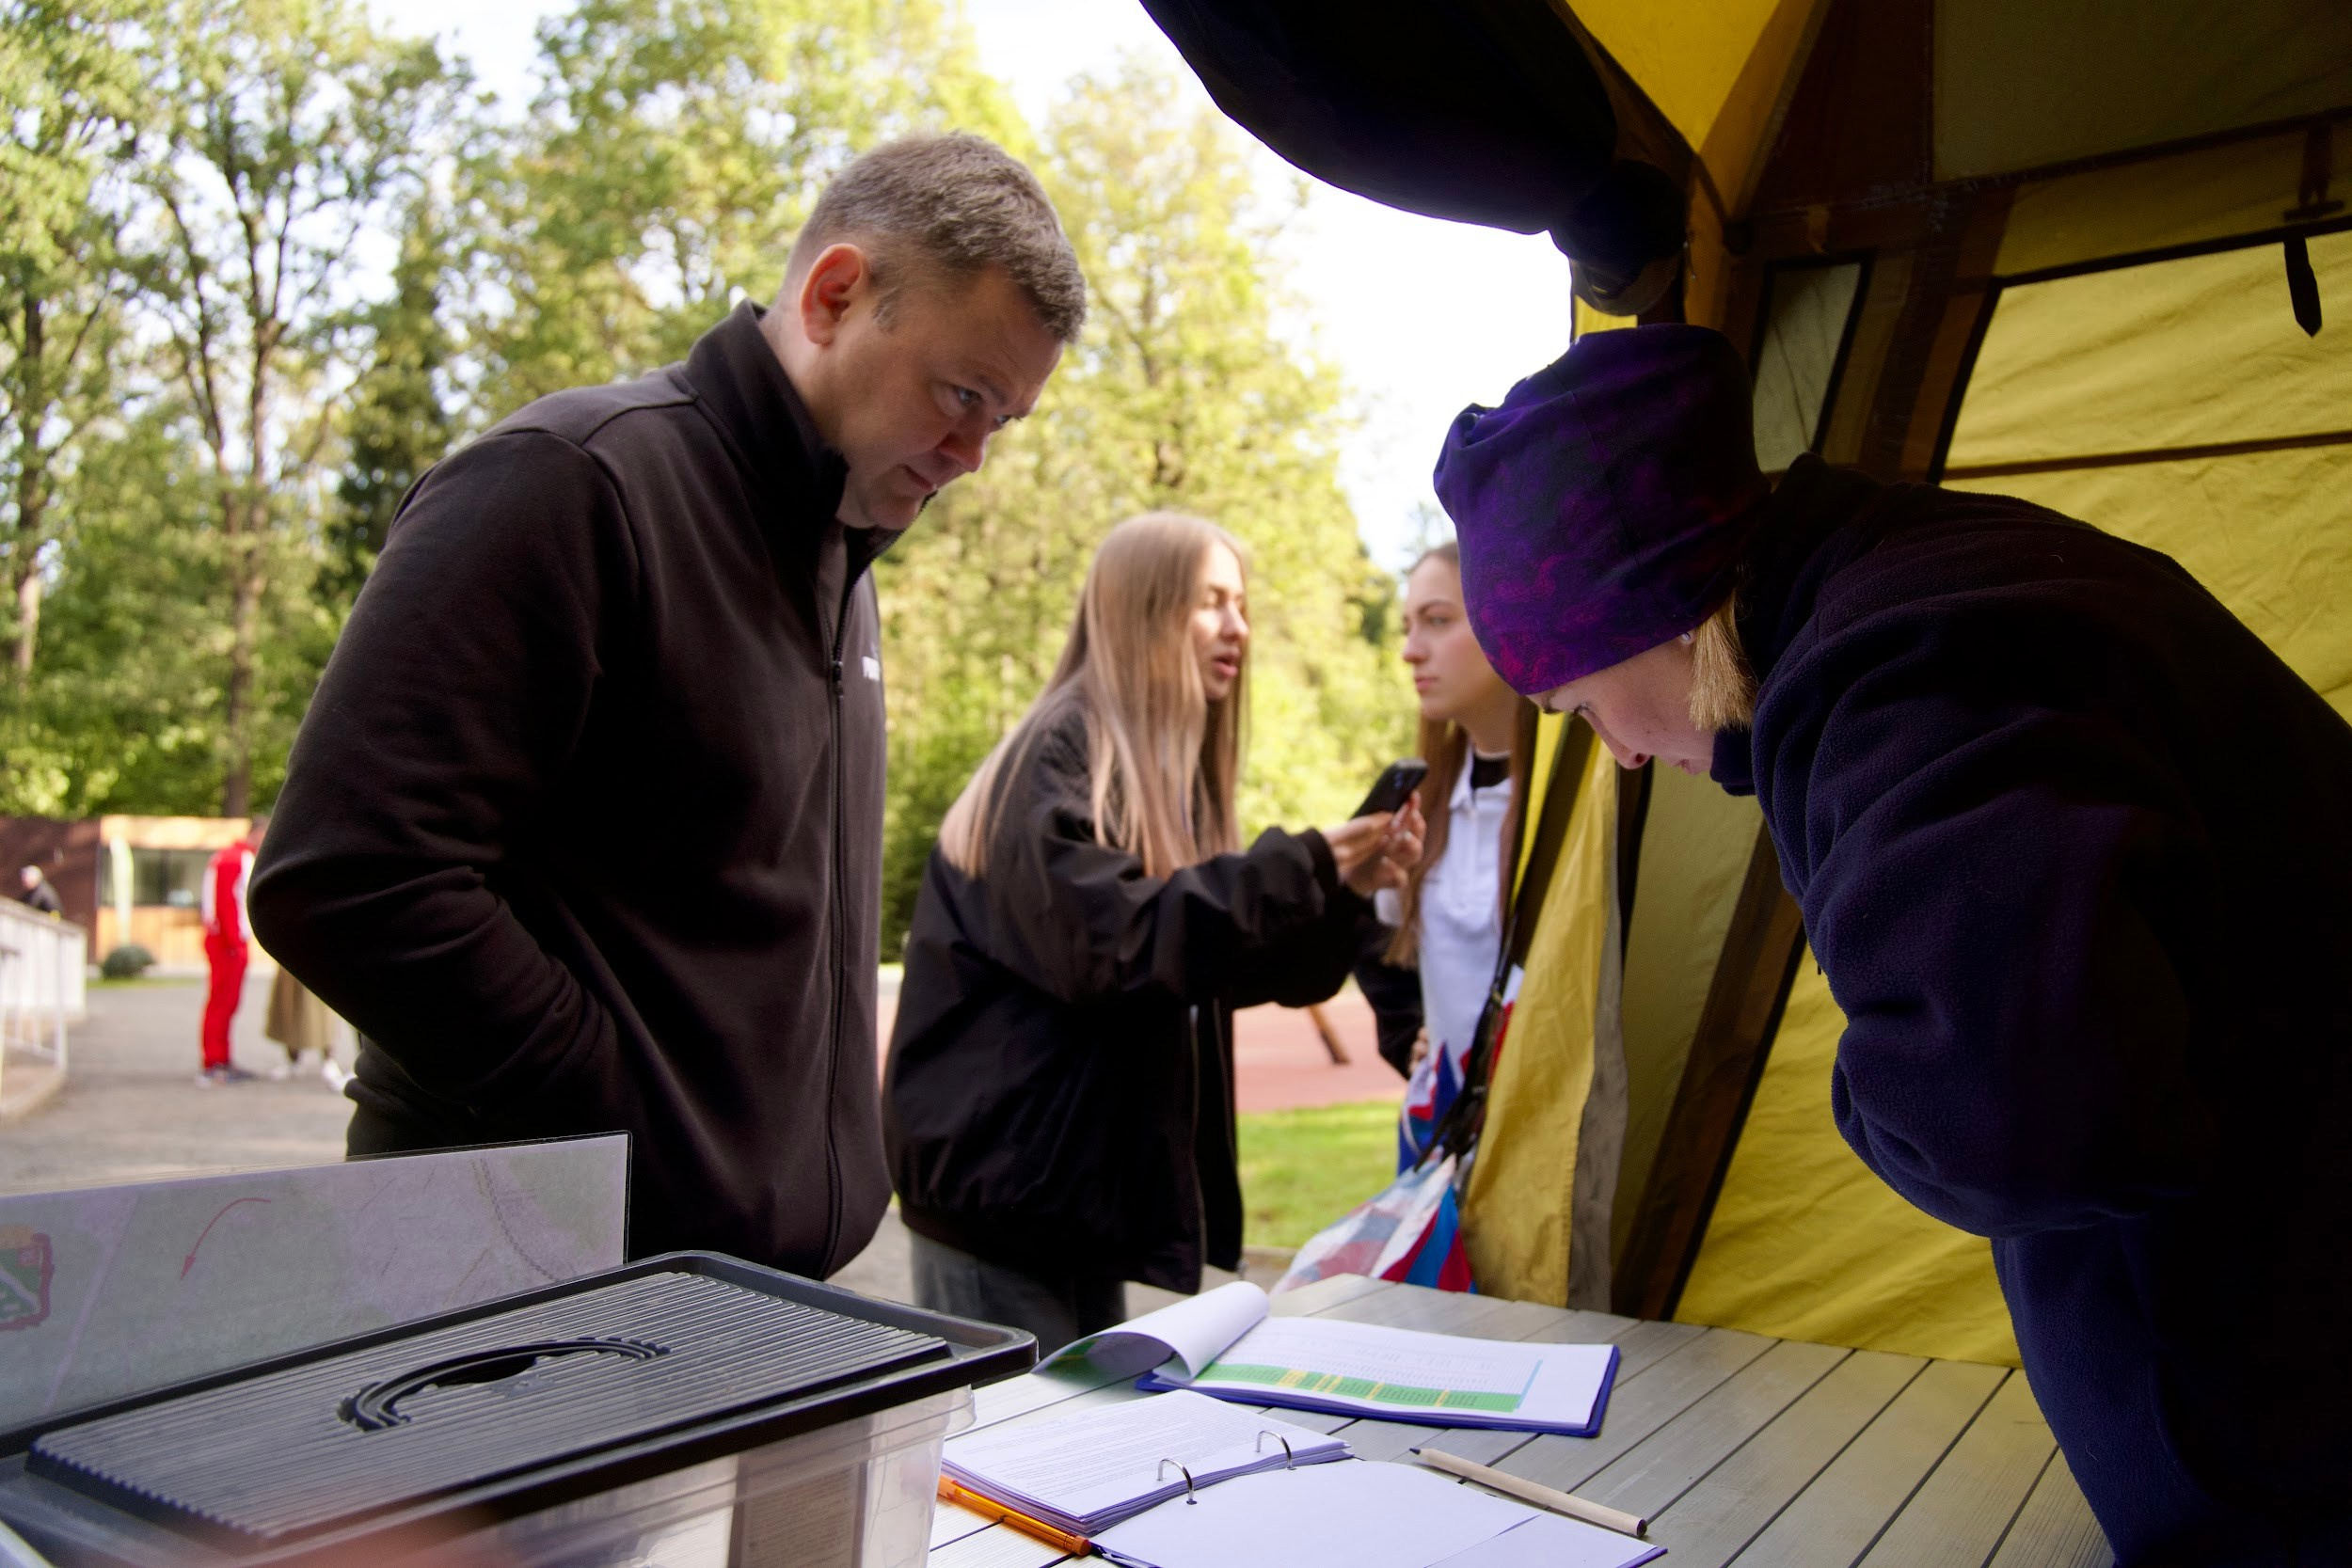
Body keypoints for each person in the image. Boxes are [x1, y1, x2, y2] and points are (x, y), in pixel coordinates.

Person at [1434, 324, 2351, 1566]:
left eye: (1582, 703)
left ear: (1651, 608)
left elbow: (2015, 1115)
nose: (1628, 749)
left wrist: (1867, 1093)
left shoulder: (1889, 677)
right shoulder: (1940, 573)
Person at [250, 135, 1087, 1275]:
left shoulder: (842, 559)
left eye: (1006, 420)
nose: (973, 455)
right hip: (523, 1291)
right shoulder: (568, 482)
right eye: (962, 395)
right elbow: (348, 878)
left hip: (737, 1301)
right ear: (836, 294)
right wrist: (627, 1120)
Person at [883, 513, 1424, 1350]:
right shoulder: (1058, 755)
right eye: (1211, 602)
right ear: (1145, 612)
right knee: (1016, 1463)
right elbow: (1119, 946)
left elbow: (1208, 964)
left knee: (1070, 1454)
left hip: (1068, 1206)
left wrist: (1341, 891)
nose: (1238, 627)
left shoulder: (1151, 774)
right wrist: (1300, 864)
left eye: (1241, 604)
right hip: (998, 1215)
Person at [1382, 541, 1535, 1166]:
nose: (1411, 649)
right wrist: (1410, 1037)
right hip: (1439, 1143)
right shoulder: (1422, 799)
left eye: (1438, 621)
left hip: (1536, 1145)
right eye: (1408, 625)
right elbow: (1381, 944)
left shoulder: (1576, 797)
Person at [198, 816, 266, 1087]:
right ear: (257, 833)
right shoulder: (235, 859)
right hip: (228, 944)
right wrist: (236, 942)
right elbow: (228, 903)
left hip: (225, 941)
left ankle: (221, 1058)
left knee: (224, 1002)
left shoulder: (229, 857)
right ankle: (215, 1062)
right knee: (222, 1002)